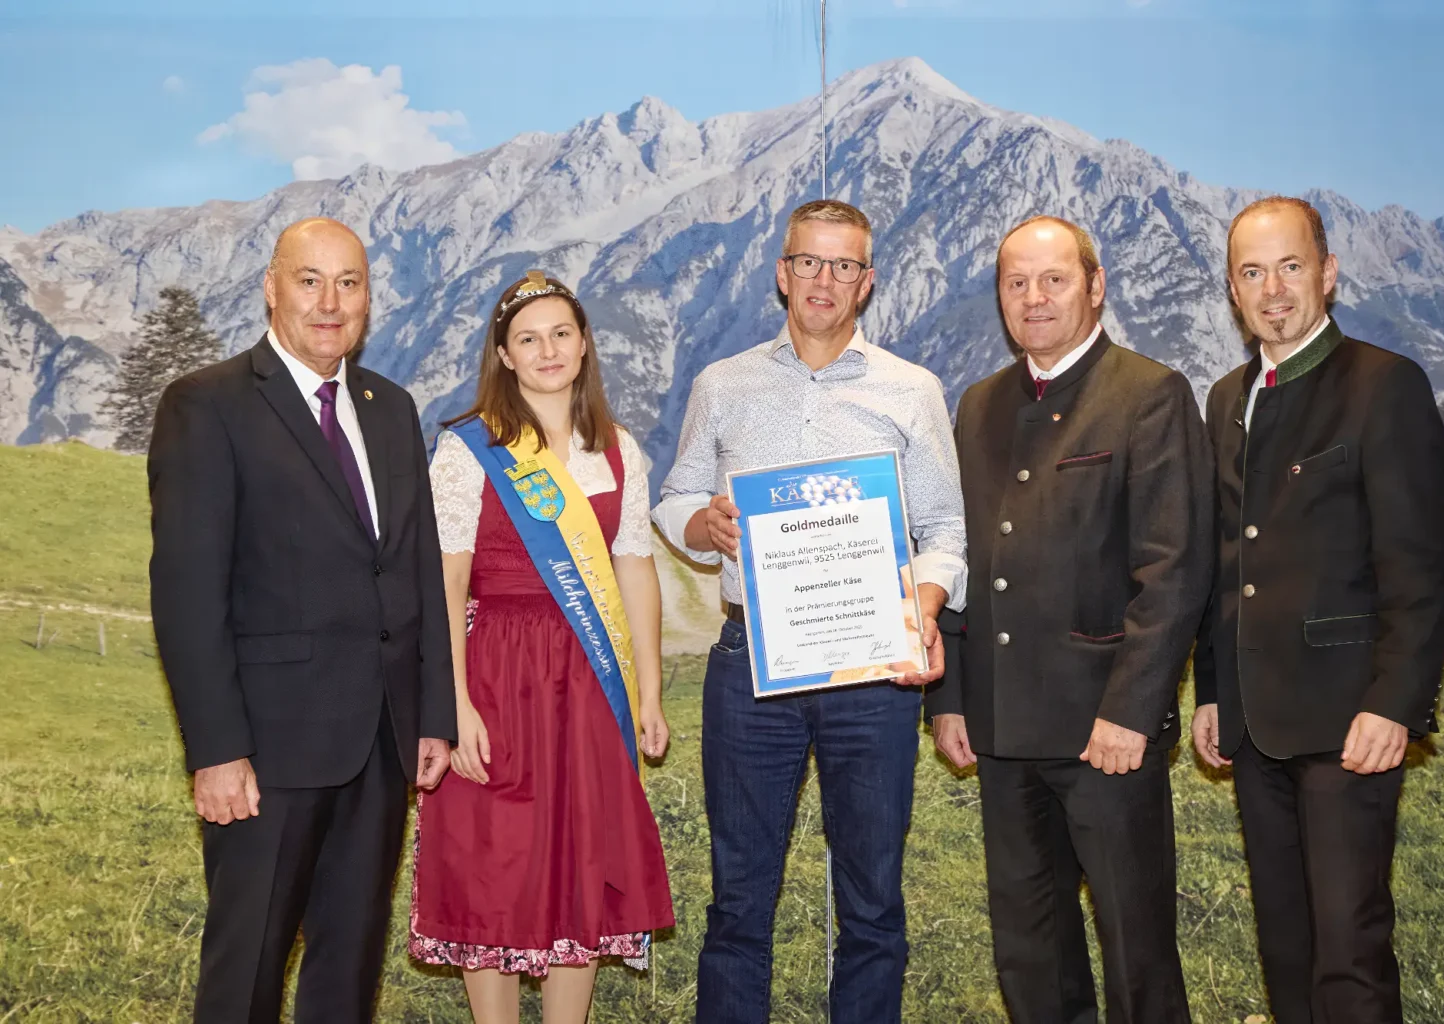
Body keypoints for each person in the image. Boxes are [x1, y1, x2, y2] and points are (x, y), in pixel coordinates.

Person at [653, 198, 964, 1024]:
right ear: (780, 273)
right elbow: (675, 496)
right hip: (750, 662)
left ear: (866, 282)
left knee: (872, 902)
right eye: (809, 262)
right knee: (738, 901)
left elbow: (944, 528)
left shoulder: (912, 389)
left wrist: (923, 606)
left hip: (874, 668)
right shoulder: (724, 384)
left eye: (844, 265)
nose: (824, 280)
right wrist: (701, 522)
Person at [147, 217, 456, 1022]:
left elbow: (414, 565)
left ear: (368, 299)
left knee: (347, 973)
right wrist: (217, 750)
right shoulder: (205, 405)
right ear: (271, 288)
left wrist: (432, 715)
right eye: (310, 280)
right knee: (246, 970)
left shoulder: (390, 407)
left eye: (349, 283)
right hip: (268, 751)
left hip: (382, 745)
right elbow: (187, 592)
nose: (330, 302)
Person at [926, 215, 1211, 1023]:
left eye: (1053, 280)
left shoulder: (1150, 394)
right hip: (1001, 724)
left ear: (1096, 285)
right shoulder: (979, 405)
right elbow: (958, 552)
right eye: (1015, 283)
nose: (1034, 297)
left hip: (1104, 732)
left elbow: (1174, 571)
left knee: (1136, 947)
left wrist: (1130, 711)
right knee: (1029, 951)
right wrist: (948, 698)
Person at [1192, 196, 1444, 1023]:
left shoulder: (1385, 385)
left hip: (1351, 723)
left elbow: (1419, 567)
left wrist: (1395, 703)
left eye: (1291, 266)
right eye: (1252, 272)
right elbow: (1223, 561)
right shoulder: (1225, 398)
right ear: (1233, 291)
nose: (1273, 290)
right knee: (1286, 946)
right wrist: (1211, 691)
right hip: (1253, 724)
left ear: (1329, 273)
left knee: (1349, 949)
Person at [409, 271, 674, 1024]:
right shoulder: (470, 449)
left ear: (585, 343)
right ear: (505, 354)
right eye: (528, 338)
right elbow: (445, 584)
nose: (548, 350)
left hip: (589, 682)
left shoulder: (617, 451)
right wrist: (452, 703)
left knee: (580, 858)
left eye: (561, 333)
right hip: (494, 672)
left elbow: (635, 571)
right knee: (492, 859)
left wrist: (649, 691)